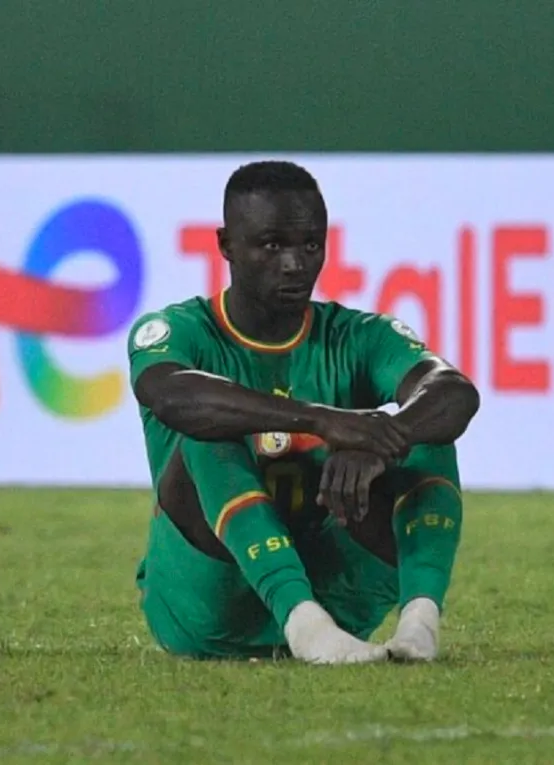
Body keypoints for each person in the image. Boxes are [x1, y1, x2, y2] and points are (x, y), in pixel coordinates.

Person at [127, 161, 480, 665]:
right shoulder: (178, 329)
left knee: (428, 430)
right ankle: (302, 624)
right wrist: (321, 422)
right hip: (207, 607)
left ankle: (419, 621)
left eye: (310, 245)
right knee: (211, 431)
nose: (294, 263)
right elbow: (172, 396)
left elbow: (454, 391)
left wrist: (384, 441)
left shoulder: (358, 335)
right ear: (226, 245)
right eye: (272, 245)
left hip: (340, 598)